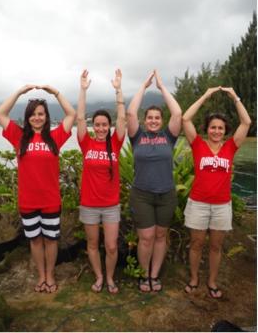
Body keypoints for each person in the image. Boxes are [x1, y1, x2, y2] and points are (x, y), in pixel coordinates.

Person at [0, 85, 76, 293]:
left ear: (46, 117)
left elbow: (72, 114)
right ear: (27, 117)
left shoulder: (55, 138)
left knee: (51, 241)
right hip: (28, 201)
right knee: (35, 241)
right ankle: (41, 275)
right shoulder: (18, 136)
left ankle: (50, 275)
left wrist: (55, 93)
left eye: (41, 114)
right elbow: (0, 113)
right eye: (32, 114)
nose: (37, 118)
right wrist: (20, 92)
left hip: (50, 201)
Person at [182, 86, 251, 298]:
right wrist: (205, 95)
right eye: (213, 127)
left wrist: (234, 96)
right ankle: (194, 278)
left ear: (225, 131)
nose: (216, 131)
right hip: (198, 203)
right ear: (207, 129)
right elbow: (185, 119)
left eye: (220, 128)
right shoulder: (198, 145)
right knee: (196, 244)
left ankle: (211, 281)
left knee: (215, 246)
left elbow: (246, 122)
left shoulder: (231, 147)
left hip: (222, 205)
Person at [127, 70, 182, 292]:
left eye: (157, 118)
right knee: (147, 237)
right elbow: (130, 113)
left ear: (161, 121)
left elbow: (177, 113)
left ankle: (154, 274)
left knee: (161, 236)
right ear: (144, 120)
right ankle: (143, 274)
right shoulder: (137, 136)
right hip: (142, 195)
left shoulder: (169, 136)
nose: (152, 120)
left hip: (166, 195)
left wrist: (161, 87)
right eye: (149, 117)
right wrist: (144, 86)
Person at [77, 69, 126, 294]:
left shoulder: (115, 143)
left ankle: (110, 278)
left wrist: (118, 90)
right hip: (89, 204)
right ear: (92, 125)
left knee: (112, 246)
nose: (100, 128)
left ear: (109, 126)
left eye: (104, 124)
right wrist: (83, 90)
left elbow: (123, 118)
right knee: (93, 245)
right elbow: (78, 118)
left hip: (110, 205)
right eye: (96, 124)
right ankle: (98, 276)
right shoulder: (85, 142)